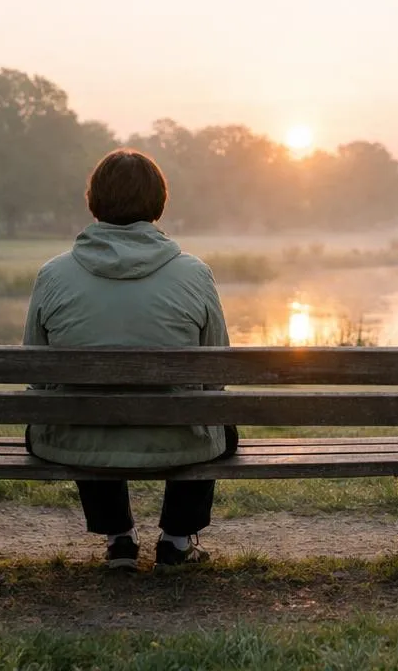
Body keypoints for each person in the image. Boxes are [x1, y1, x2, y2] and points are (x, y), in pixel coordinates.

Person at [23, 148, 235, 570]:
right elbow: (218, 375)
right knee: (215, 414)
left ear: (94, 201)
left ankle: (119, 537)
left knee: (78, 406)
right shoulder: (194, 274)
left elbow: (36, 377)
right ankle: (176, 540)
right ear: (159, 202)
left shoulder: (53, 274)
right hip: (178, 440)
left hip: (76, 440)